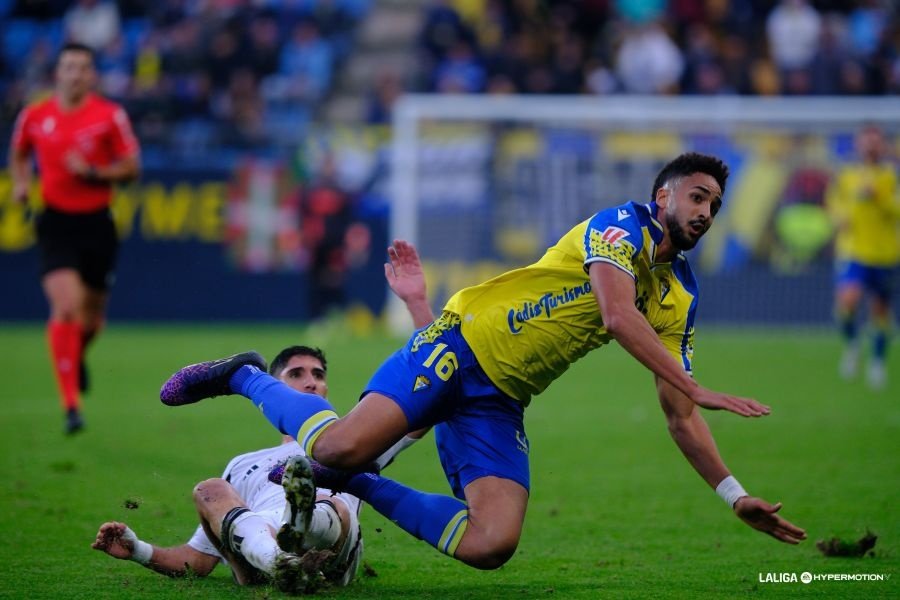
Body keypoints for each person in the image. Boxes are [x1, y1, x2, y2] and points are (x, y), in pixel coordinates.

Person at [161, 153, 807, 572]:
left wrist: (735, 495)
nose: (706, 212)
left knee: (492, 542)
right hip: (458, 344)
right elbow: (616, 315)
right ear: (663, 195)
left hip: (500, 400)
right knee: (335, 447)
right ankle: (244, 374)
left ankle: (357, 488)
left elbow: (679, 417)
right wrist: (696, 383)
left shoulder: (679, 297)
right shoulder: (620, 226)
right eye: (697, 197)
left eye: (716, 206)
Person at [94, 246, 433, 591]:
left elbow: (427, 397)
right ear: (275, 392)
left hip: (330, 557)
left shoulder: (353, 440)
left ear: (326, 388)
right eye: (296, 374)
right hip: (256, 557)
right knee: (210, 489)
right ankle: (278, 558)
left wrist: (417, 304)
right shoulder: (242, 465)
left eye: (317, 373)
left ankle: (296, 527)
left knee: (331, 500)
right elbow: (197, 560)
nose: (311, 380)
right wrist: (138, 550)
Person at [8, 42, 141, 434]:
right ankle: (71, 405)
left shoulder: (108, 115)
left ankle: (75, 355)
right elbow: (18, 154)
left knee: (92, 317)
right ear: (58, 73)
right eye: (69, 67)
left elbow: (132, 167)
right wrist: (20, 183)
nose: (75, 74)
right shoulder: (35, 115)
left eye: (83, 67)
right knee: (66, 307)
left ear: (92, 75)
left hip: (98, 223)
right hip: (54, 222)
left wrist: (94, 172)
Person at [826, 125, 899, 390]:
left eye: (875, 142)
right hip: (853, 250)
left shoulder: (891, 175)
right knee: (848, 300)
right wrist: (838, 218)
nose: (870, 147)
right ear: (858, 144)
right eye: (866, 142)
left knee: (880, 311)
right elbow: (833, 202)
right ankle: (852, 344)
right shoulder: (846, 175)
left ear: (882, 146)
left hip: (885, 253)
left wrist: (879, 197)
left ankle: (877, 362)